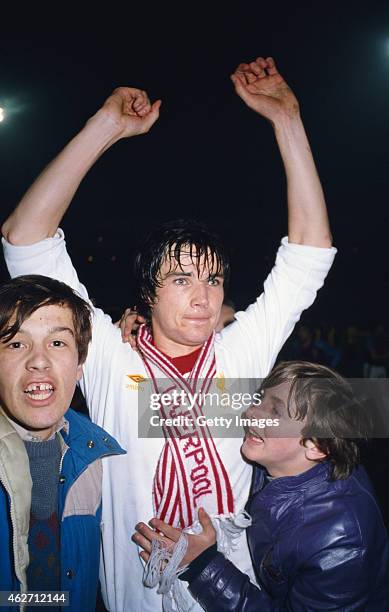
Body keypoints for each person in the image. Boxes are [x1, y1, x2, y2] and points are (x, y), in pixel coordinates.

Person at [1, 57, 336, 611]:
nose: (202, 296)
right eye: (180, 279)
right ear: (147, 296)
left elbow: (308, 257)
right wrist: (104, 128)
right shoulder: (113, 358)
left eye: (212, 279)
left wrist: (288, 123)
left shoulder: (237, 355)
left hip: (235, 592)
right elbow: (26, 240)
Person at [134, 361, 389, 610]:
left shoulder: (342, 541)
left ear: (317, 446)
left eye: (275, 412)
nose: (251, 412)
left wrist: (202, 565)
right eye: (259, 399)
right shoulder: (278, 459)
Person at [0, 275, 124, 612]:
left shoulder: (99, 458)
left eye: (57, 343)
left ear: (80, 365)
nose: (39, 361)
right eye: (15, 343)